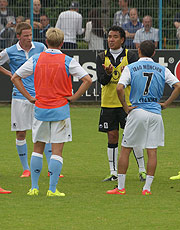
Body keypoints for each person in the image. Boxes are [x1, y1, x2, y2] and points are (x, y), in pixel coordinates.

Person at [11, 27, 92, 197]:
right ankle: (52, 189)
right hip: (60, 110)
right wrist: (74, 97)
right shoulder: (67, 60)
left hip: (41, 109)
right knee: (57, 151)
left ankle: (34, 187)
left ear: (46, 42)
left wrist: (29, 97)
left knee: (37, 148)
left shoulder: (36, 58)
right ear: (62, 43)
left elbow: (15, 77)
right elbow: (87, 79)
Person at [107, 40, 180, 196]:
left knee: (126, 149)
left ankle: (120, 188)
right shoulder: (162, 69)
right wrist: (166, 103)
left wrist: (125, 107)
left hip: (138, 111)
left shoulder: (131, 68)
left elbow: (119, 88)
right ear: (154, 53)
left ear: (138, 51)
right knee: (152, 151)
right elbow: (178, 86)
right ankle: (147, 188)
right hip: (155, 113)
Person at [96, 25, 146, 182]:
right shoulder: (101, 56)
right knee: (112, 136)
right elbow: (102, 81)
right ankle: (113, 172)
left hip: (127, 103)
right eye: (109, 36)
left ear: (122, 40)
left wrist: (128, 74)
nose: (111, 39)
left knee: (133, 137)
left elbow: (138, 79)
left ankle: (142, 170)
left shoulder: (130, 56)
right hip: (108, 103)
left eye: (115, 37)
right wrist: (108, 73)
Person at [0, 22, 49, 178]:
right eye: (26, 36)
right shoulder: (10, 51)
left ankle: (50, 169)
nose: (29, 38)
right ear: (19, 36)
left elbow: (51, 61)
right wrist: (10, 74)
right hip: (20, 97)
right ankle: (26, 169)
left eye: (30, 35)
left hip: (40, 96)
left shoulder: (41, 47)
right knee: (21, 133)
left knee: (44, 131)